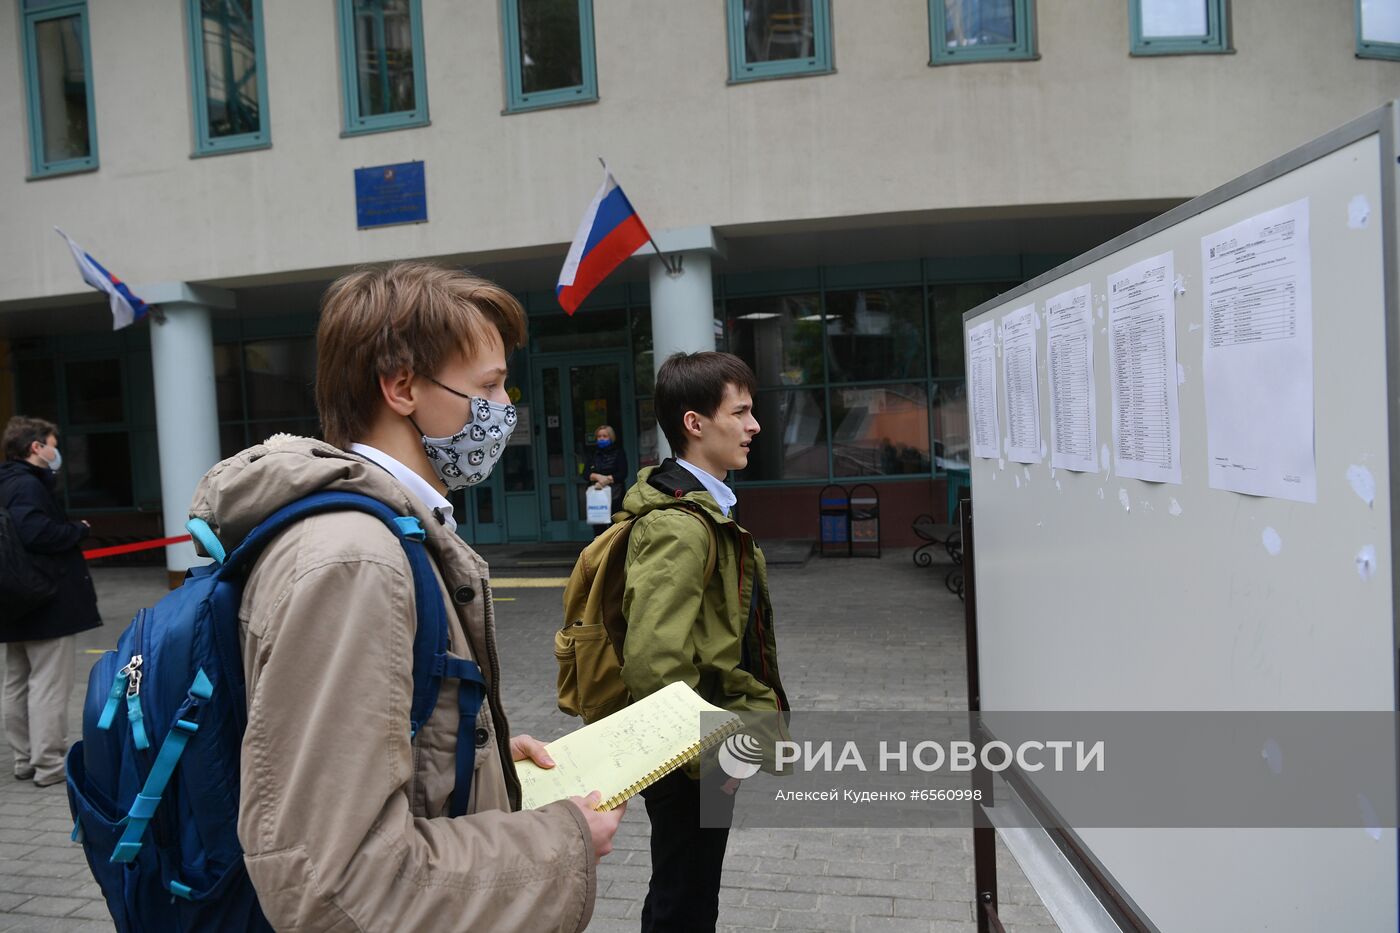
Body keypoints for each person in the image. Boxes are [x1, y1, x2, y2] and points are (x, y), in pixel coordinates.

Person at [186, 262, 622, 931]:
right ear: (401, 387)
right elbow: (337, 882)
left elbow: (374, 752)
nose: (506, 408)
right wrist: (563, 839)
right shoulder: (355, 559)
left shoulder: (394, 534)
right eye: (490, 384)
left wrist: (477, 760)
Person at [617, 351, 789, 933]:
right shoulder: (679, 525)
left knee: (688, 889)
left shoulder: (703, 508)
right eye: (739, 412)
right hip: (691, 750)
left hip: (701, 738)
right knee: (683, 897)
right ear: (695, 424)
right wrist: (711, 752)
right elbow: (653, 661)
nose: (753, 425)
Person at [0, 416, 102, 788]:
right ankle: (49, 763)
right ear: (36, 448)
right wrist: (77, 531)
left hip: (14, 598)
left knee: (17, 681)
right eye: (52, 443)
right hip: (45, 599)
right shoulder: (27, 486)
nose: (56, 450)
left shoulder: (7, 481)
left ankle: (25, 758)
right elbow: (35, 531)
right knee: (47, 684)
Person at [583, 424, 627, 535]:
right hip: (597, 497)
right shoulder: (592, 453)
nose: (601, 438)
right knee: (599, 529)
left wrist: (606, 480)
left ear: (610, 437)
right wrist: (598, 477)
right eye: (599, 436)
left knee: (615, 527)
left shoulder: (619, 452)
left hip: (615, 495)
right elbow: (585, 474)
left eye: (604, 436)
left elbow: (622, 473)